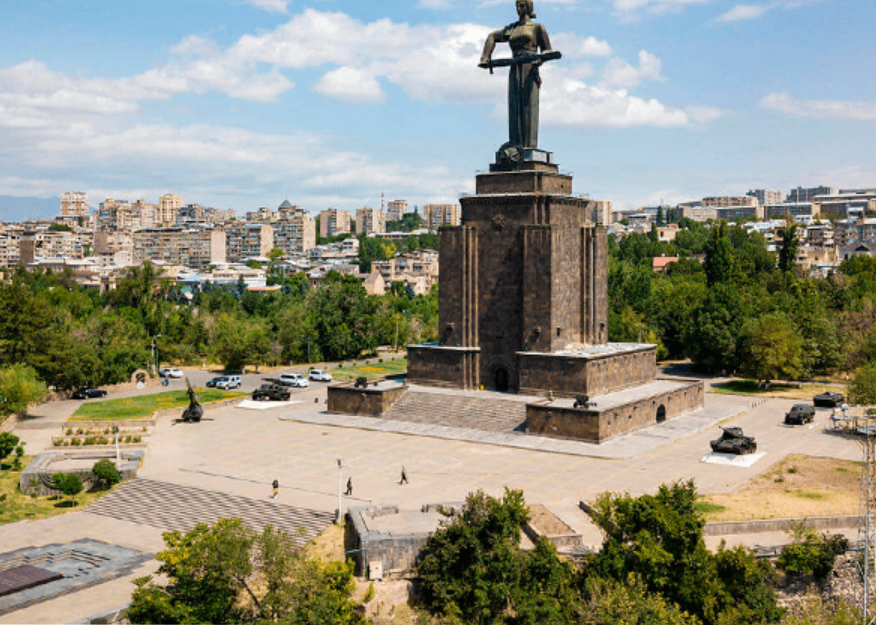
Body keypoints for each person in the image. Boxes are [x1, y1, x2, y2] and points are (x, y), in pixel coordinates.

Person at [479, 0, 554, 150]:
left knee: (528, 105)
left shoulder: (537, 27)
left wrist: (540, 59)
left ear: (528, 7)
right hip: (515, 67)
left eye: (522, 5)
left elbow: (547, 50)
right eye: (517, 6)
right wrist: (485, 57)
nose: (519, 9)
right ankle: (515, 144)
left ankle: (529, 147)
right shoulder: (512, 28)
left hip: (530, 68)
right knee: (514, 105)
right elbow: (492, 36)